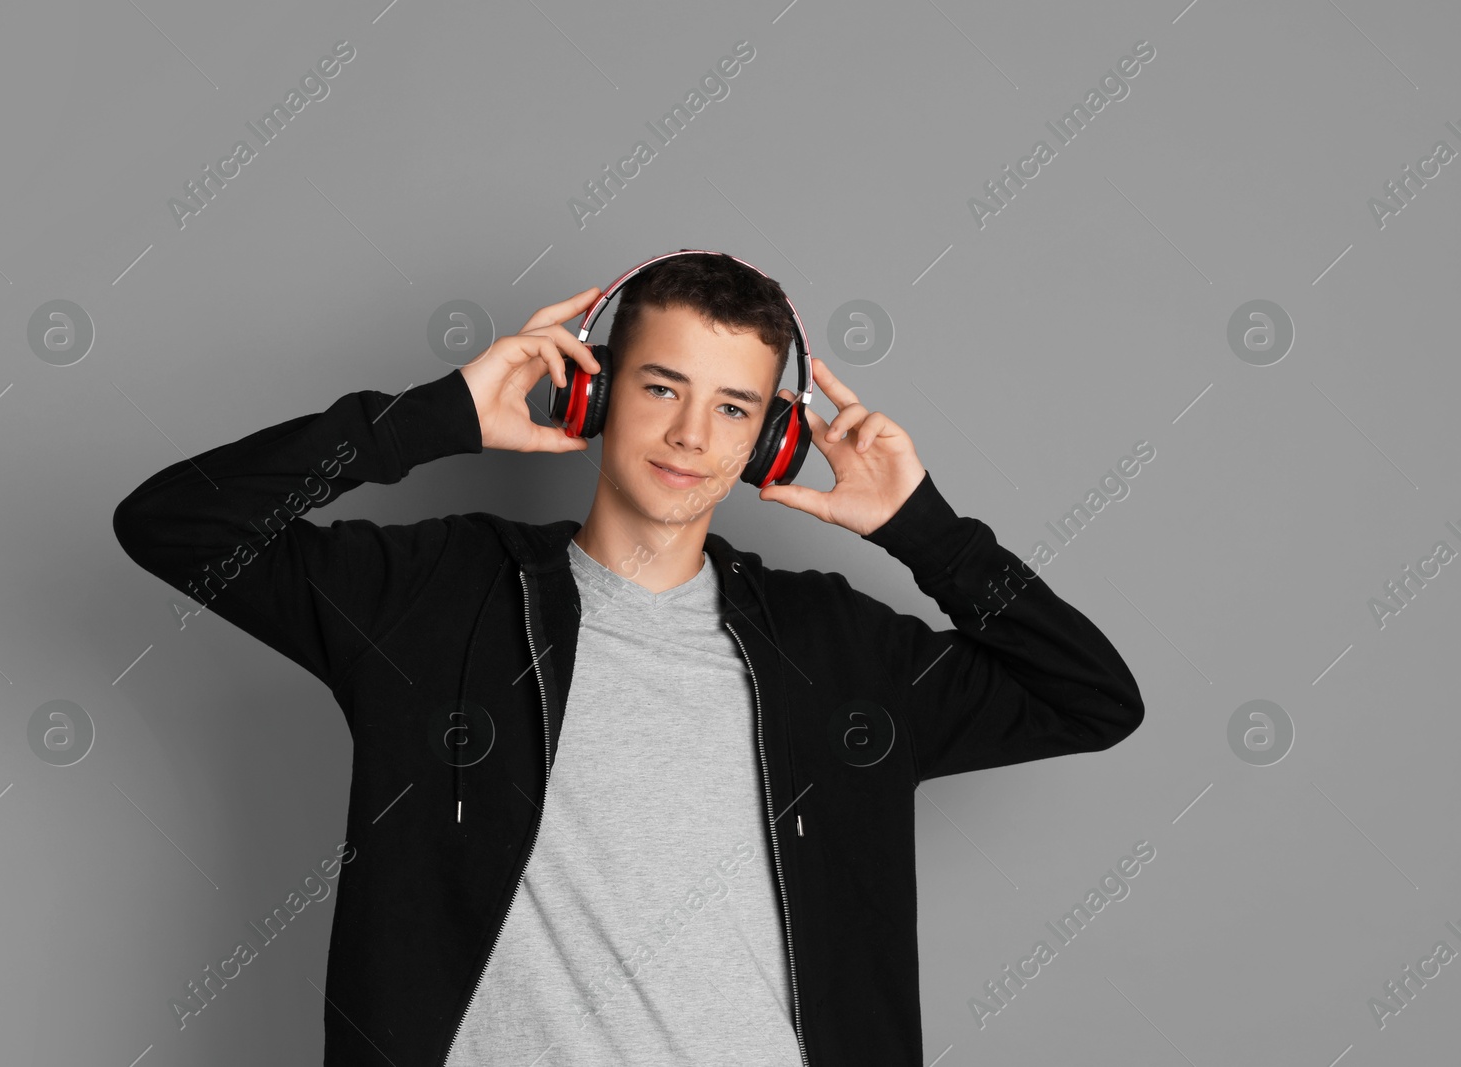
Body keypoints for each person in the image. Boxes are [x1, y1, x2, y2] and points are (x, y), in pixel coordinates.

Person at [112, 251, 1144, 1066]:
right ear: (594, 394)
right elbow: (174, 525)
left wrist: (922, 528)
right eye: (662, 387)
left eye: (733, 408)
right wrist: (428, 420)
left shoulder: (836, 647)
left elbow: (1090, 696)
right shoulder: (431, 596)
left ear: (770, 442)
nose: (693, 434)